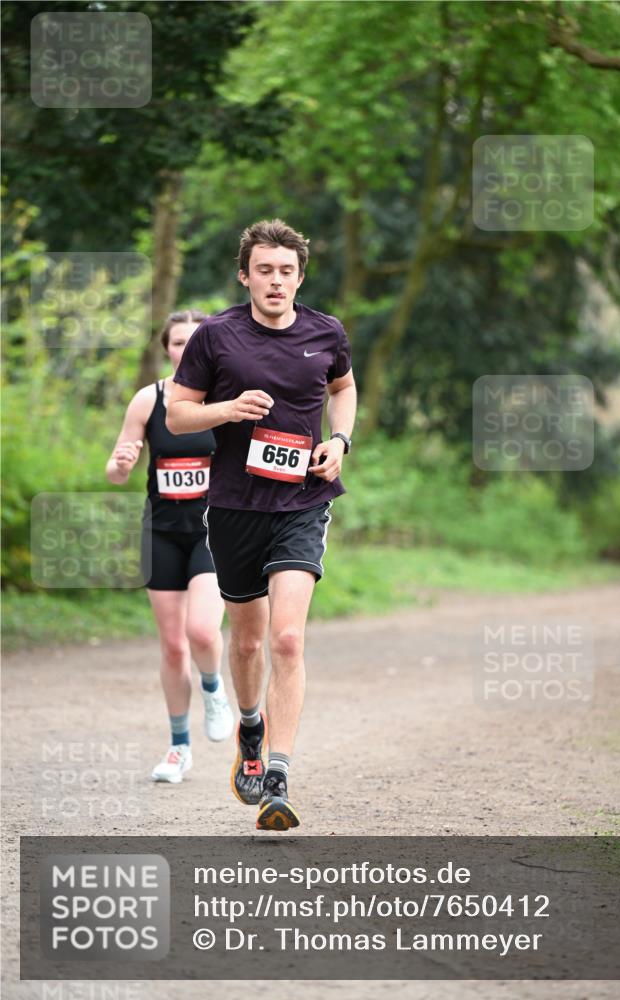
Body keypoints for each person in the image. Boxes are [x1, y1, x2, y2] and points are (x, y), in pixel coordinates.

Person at [167, 219, 356, 831]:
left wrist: (340, 440)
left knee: (288, 640)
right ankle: (250, 727)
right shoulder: (216, 336)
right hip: (234, 506)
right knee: (246, 641)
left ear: (300, 277)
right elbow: (178, 412)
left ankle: (276, 774)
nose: (276, 281)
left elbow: (344, 387)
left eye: (286, 271)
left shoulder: (326, 331)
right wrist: (228, 408)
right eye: (264, 270)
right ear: (244, 274)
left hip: (303, 499)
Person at [105, 310, 234, 784]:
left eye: (195, 341)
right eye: (178, 342)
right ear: (167, 349)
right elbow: (117, 470)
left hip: (213, 531)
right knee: (173, 647)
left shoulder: (225, 400)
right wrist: (120, 464)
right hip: (160, 532)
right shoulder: (149, 399)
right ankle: (179, 748)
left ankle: (215, 688)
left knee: (202, 633)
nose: (186, 349)